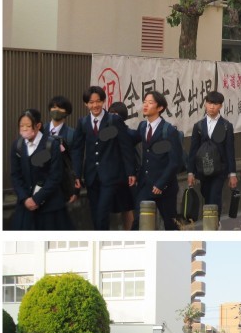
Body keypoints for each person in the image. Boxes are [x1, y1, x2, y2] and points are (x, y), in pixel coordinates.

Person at [75, 85, 137, 230]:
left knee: (102, 212)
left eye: (98, 101)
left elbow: (125, 147)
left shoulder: (114, 120)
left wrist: (130, 172)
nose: (95, 105)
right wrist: (77, 174)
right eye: (91, 102)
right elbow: (78, 150)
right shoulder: (83, 122)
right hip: (91, 176)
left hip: (110, 176)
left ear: (103, 101)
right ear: (86, 104)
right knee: (95, 214)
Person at [10, 109, 73, 230]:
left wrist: (37, 199)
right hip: (25, 207)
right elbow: (15, 175)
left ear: (38, 126)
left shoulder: (51, 145)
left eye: (28, 126)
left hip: (50, 206)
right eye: (21, 126)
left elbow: (55, 176)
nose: (24, 129)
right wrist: (25, 199)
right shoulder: (17, 146)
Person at [131, 90, 183, 230]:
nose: (145, 105)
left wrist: (161, 184)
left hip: (165, 187)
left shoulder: (169, 131)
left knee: (170, 225)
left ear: (160, 107)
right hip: (145, 184)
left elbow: (174, 162)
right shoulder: (143, 126)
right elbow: (131, 139)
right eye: (144, 102)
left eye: (150, 102)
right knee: (138, 222)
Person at [187, 90, 238, 220]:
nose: (211, 107)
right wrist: (191, 172)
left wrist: (232, 174)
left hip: (219, 169)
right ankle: (210, 221)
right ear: (205, 104)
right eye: (209, 103)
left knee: (215, 195)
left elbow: (230, 150)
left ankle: (214, 222)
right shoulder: (199, 126)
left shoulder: (226, 126)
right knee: (206, 194)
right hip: (202, 169)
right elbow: (193, 150)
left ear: (220, 106)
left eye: (215, 104)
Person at [46, 95, 81, 205]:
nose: (56, 110)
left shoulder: (72, 134)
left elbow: (75, 160)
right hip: (42, 183)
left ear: (67, 112)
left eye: (60, 107)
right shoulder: (41, 131)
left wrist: (75, 189)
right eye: (53, 107)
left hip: (62, 185)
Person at [107, 102, 136, 230]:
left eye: (115, 115)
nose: (112, 117)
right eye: (110, 114)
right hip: (107, 176)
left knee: (126, 208)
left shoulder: (129, 133)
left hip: (124, 176)